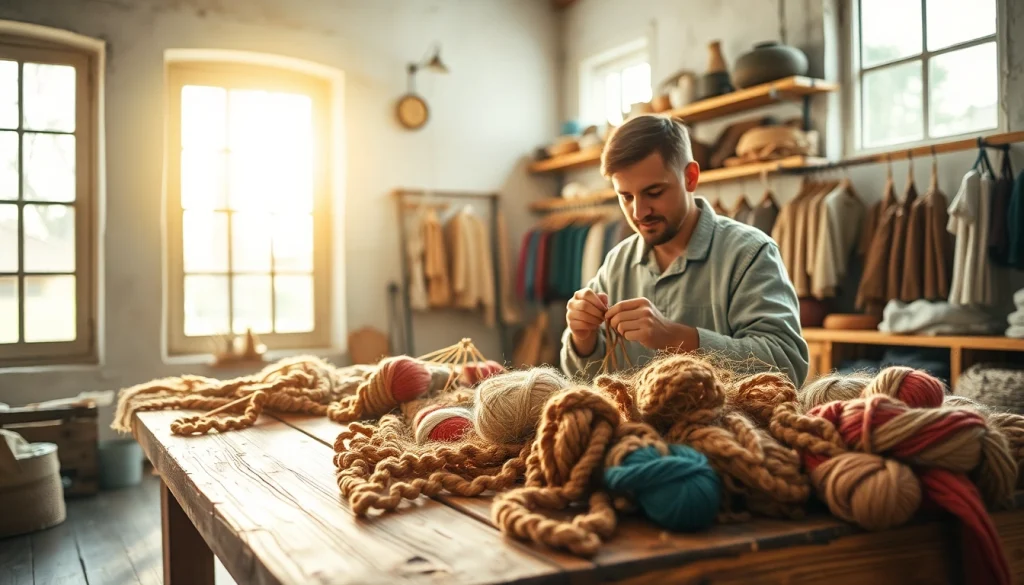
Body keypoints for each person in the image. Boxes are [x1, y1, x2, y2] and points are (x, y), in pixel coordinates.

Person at [560, 114, 808, 386]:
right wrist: (583, 338)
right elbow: (584, 381)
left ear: (690, 177)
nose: (639, 212)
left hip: (727, 428)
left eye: (654, 192)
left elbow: (788, 365)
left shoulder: (750, 253)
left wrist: (677, 338)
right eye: (626, 197)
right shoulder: (617, 262)